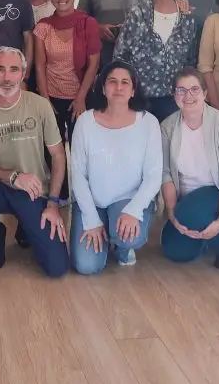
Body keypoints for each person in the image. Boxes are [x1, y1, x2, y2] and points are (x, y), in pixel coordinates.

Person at [0, 47, 69, 277]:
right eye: (0, 69)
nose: (7, 77)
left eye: (14, 70)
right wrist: (13, 176)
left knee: (57, 268)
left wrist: (53, 203)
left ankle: (26, 224)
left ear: (23, 74)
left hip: (33, 192)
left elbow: (58, 155)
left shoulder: (40, 105)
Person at [69, 61, 162, 274]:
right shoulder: (85, 122)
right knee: (87, 266)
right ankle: (106, 230)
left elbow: (153, 175)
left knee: (128, 237)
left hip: (128, 200)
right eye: (112, 81)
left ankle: (122, 247)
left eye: (125, 82)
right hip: (92, 202)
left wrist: (134, 211)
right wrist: (91, 220)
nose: (118, 87)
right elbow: (78, 175)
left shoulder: (148, 123)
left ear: (133, 90)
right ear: (103, 88)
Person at [159, 69, 219, 269]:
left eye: (194, 89)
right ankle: (201, 233)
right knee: (175, 252)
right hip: (185, 199)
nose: (188, 95)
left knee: (192, 214)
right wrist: (172, 214)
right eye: (181, 90)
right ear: (174, 95)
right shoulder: (167, 127)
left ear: (205, 93)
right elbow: (166, 172)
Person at [33, 0, 101, 197]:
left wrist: (80, 97)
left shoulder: (87, 23)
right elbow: (40, 65)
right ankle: (59, 196)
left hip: (80, 97)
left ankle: (84, 196)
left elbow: (94, 63)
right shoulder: (43, 26)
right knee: (53, 149)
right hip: (51, 96)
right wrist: (44, 101)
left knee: (82, 149)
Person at [114, 0, 198, 122]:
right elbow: (121, 56)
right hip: (140, 98)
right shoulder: (138, 13)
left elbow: (191, 60)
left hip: (175, 99)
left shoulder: (187, 17)